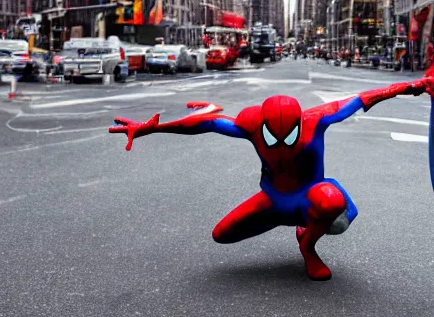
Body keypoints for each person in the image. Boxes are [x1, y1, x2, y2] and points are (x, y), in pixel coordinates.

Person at [110, 73, 434, 281]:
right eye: (271, 136)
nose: (280, 145)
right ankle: (296, 221)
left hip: (309, 195)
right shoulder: (250, 126)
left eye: (288, 138)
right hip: (273, 199)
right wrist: (151, 129)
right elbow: (205, 124)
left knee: (332, 204)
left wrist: (413, 85)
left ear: (299, 125)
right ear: (261, 125)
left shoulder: (317, 120)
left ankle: (308, 246)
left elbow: (365, 98)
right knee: (221, 235)